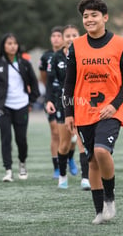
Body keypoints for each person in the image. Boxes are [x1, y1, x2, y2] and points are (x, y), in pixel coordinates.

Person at [63, 0, 123, 224]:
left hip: (111, 110)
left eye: (94, 15)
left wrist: (114, 105)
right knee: (91, 160)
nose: (89, 19)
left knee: (102, 151)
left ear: (105, 17)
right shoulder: (75, 46)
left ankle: (110, 199)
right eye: (86, 16)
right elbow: (69, 83)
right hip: (83, 111)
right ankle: (99, 211)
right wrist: (69, 113)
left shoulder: (121, 45)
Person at [0, 33, 40, 182]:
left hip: (22, 106)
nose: (12, 46)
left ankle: (22, 163)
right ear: (3, 46)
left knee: (21, 139)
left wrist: (30, 102)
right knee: (6, 138)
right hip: (3, 108)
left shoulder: (25, 64)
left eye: (14, 43)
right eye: (9, 43)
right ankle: (8, 170)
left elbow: (35, 85)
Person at [45, 24, 91, 190]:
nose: (71, 38)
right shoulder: (56, 58)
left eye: (74, 35)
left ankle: (86, 178)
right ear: (63, 38)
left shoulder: (85, 54)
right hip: (63, 103)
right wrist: (48, 100)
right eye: (68, 35)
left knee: (82, 142)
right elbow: (50, 82)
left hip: (82, 103)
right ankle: (62, 175)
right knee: (64, 144)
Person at [39, 26, 78, 179]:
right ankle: (58, 167)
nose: (56, 39)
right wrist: (48, 98)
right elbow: (45, 79)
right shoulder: (49, 57)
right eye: (54, 36)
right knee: (56, 133)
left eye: (58, 36)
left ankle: (70, 158)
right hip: (56, 99)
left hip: (77, 100)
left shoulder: (80, 53)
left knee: (73, 136)